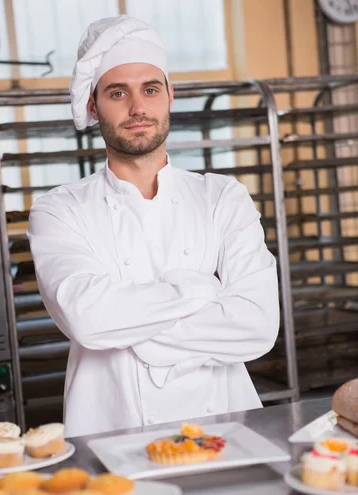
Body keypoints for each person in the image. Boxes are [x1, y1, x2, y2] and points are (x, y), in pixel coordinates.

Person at [28, 15, 280, 438]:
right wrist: (201, 289)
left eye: (150, 89)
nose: (137, 108)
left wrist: (127, 333)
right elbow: (89, 320)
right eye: (117, 93)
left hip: (227, 435)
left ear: (170, 95)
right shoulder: (59, 210)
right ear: (93, 105)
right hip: (112, 440)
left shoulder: (222, 198)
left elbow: (256, 325)